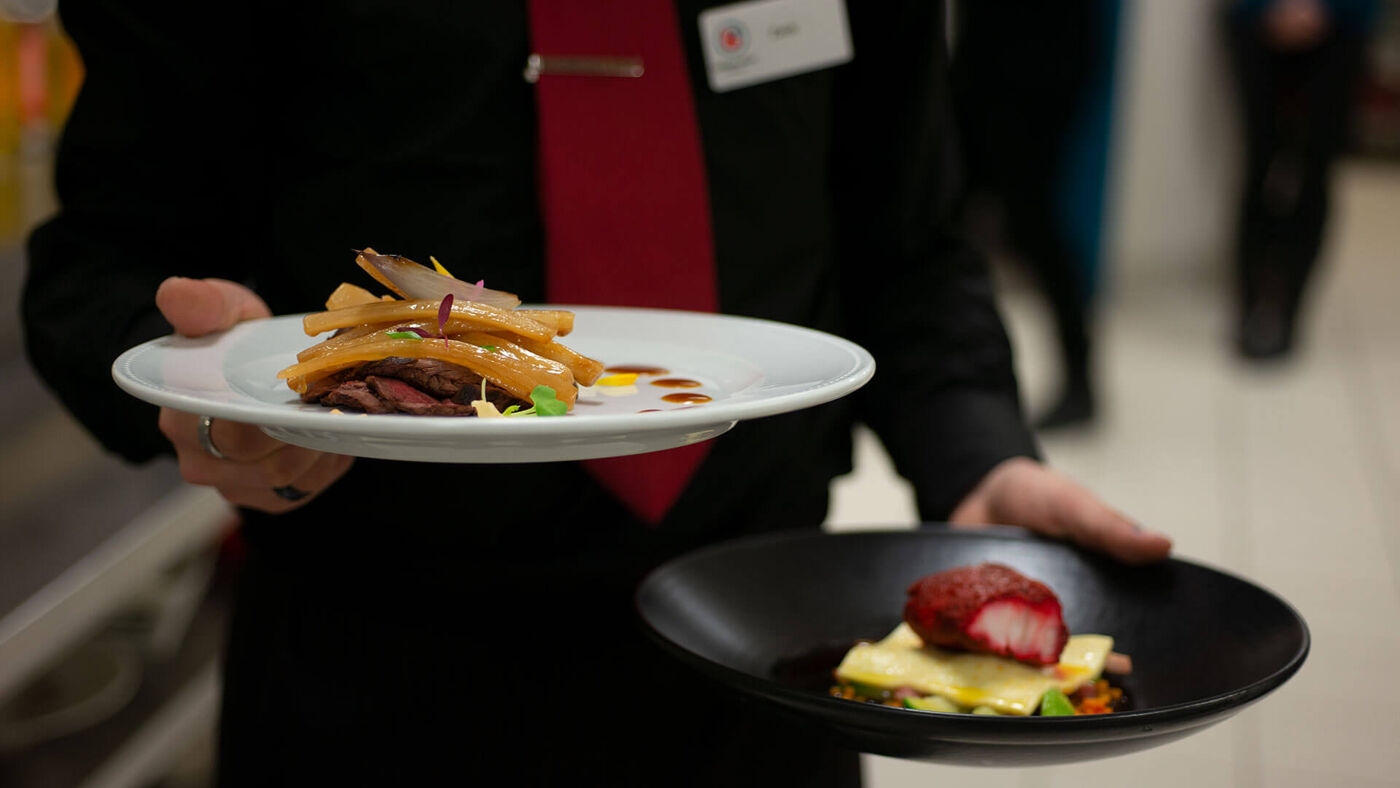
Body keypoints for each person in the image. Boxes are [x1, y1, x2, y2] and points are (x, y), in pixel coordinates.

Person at [22, 1, 1171, 785]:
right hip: (376, 662)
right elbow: (97, 263)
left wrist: (974, 448)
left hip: (760, 655)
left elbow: (906, 237)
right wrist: (185, 376)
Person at [951, 0, 1103, 429]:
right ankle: (956, 376)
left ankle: (1080, 377)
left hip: (1038, 79)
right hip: (980, 71)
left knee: (1034, 228)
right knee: (945, 225)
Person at [1223, 0, 1379, 359]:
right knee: (1258, 166)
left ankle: (1289, 308)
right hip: (1255, 20)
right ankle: (1250, 307)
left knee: (1315, 171)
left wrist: (1328, 10)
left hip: (1342, 26)